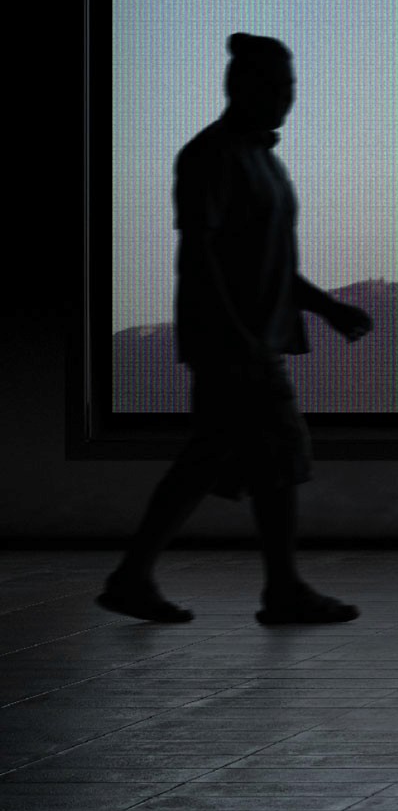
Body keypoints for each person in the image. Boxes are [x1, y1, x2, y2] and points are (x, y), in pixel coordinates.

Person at [98, 34, 372, 627]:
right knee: (268, 457)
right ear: (239, 88)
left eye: (289, 87)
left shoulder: (261, 159)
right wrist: (238, 338)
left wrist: (326, 309)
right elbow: (200, 257)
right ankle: (278, 589)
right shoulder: (211, 157)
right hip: (237, 346)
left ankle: (138, 577)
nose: (284, 98)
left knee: (219, 458)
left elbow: (266, 260)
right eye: (274, 86)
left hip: (250, 341)